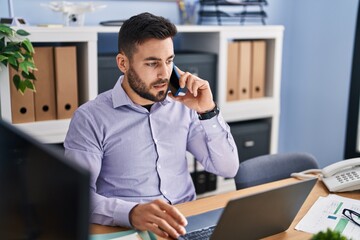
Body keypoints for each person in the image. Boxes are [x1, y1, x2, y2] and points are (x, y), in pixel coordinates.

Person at [64, 12, 239, 239]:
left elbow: (227, 168)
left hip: (188, 222)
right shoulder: (90, 118)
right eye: (152, 63)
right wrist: (131, 213)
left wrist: (208, 112)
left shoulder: (183, 106)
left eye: (169, 61)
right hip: (132, 231)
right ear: (123, 63)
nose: (164, 74)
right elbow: (75, 196)